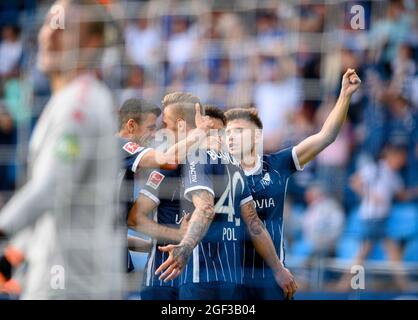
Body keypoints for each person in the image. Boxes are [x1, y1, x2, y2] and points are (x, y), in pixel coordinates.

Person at [0, 0, 124, 299]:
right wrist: (11, 257)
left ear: (92, 43)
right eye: (47, 24)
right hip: (59, 276)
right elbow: (54, 204)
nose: (48, 35)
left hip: (73, 284)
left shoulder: (79, 103)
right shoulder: (68, 99)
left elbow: (50, 188)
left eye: (62, 28)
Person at [141, 93, 296, 300]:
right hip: (231, 280)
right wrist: (279, 268)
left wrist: (185, 245)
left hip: (200, 277)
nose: (163, 132)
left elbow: (205, 208)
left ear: (182, 125)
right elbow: (254, 223)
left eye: (167, 125)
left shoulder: (196, 157)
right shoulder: (233, 163)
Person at [223, 68, 361, 300]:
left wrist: (345, 95)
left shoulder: (279, 163)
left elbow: (326, 136)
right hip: (230, 278)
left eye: (238, 131)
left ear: (256, 136)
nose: (230, 137)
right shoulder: (219, 173)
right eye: (227, 133)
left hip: (272, 278)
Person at [336, 143, 417, 291]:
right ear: (393, 156)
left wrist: (414, 192)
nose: (403, 162)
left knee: (369, 253)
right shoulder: (375, 169)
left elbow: (402, 195)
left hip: (381, 220)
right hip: (372, 219)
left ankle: (345, 284)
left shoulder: (393, 175)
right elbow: (354, 181)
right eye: (401, 158)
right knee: (378, 252)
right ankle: (346, 284)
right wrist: (370, 195)